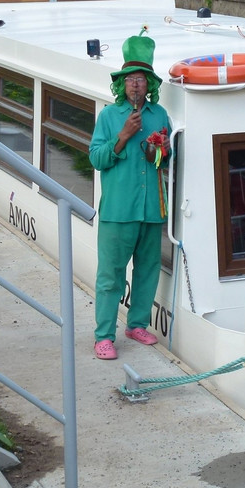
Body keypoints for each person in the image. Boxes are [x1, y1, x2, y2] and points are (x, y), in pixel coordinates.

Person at [88, 34, 172, 360]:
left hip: (151, 211)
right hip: (117, 212)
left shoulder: (160, 114)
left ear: (149, 84)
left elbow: (165, 159)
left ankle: (136, 324)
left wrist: (160, 150)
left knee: (148, 270)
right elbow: (96, 159)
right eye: (130, 80)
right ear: (122, 85)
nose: (136, 86)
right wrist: (122, 137)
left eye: (141, 80)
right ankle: (103, 336)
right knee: (110, 277)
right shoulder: (109, 117)